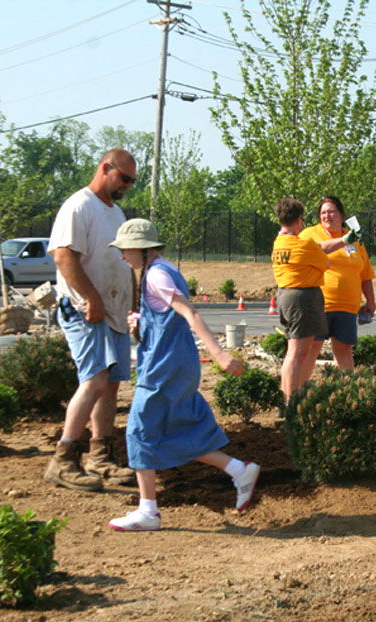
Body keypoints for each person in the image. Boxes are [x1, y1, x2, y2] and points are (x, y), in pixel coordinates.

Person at [106, 219, 259, 531]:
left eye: (125, 249)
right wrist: (141, 322)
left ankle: (148, 511)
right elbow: (165, 317)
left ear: (142, 248)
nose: (122, 255)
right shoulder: (159, 269)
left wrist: (219, 354)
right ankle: (239, 471)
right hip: (176, 364)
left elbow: (190, 313)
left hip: (164, 368)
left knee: (139, 430)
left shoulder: (157, 275)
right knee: (181, 429)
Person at [44, 148, 138, 492]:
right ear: (105, 168)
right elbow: (64, 257)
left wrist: (133, 305)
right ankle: (63, 459)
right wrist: (92, 298)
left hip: (112, 313)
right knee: (95, 380)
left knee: (111, 383)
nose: (127, 186)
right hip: (85, 310)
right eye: (124, 178)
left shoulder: (116, 213)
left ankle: (99, 456)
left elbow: (126, 263)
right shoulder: (79, 206)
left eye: (131, 180)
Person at [272, 198, 350, 402]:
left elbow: (319, 248)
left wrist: (344, 240)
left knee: (293, 352)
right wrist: (345, 241)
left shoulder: (279, 242)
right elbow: (326, 263)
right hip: (303, 299)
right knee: (298, 354)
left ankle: (288, 397)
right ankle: (291, 401)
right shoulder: (304, 244)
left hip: (285, 295)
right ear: (299, 220)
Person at [299, 196, 376, 369]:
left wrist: (370, 300)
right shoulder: (309, 234)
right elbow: (313, 250)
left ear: (341, 214)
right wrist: (343, 241)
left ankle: (346, 393)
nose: (327, 216)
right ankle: (299, 393)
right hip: (319, 304)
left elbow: (365, 273)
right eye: (323, 212)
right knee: (311, 349)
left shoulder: (354, 238)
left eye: (332, 211)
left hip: (347, 306)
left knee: (344, 351)